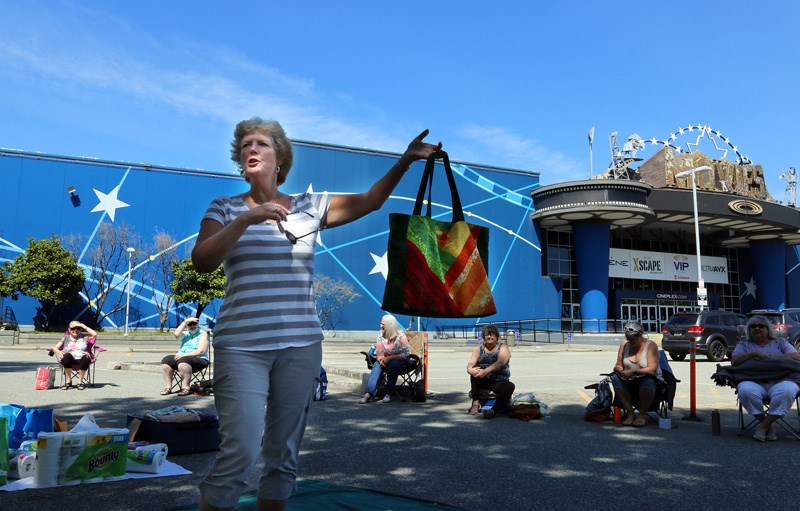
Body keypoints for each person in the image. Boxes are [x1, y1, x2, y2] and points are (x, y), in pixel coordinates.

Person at [192, 117, 441, 511]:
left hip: (301, 345)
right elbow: (202, 261)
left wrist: (405, 160)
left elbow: (372, 199)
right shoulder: (224, 208)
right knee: (238, 451)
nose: (251, 149)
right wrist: (245, 220)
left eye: (261, 144)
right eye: (245, 146)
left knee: (283, 456)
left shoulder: (310, 207)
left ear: (280, 158)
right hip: (241, 346)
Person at [731, 315, 800, 441]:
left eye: (761, 326)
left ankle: (763, 427)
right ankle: (768, 425)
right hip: (754, 381)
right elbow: (734, 361)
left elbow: (796, 357)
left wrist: (769, 357)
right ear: (749, 331)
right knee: (745, 390)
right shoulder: (744, 346)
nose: (757, 328)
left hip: (782, 380)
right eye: (753, 326)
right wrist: (755, 354)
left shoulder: (780, 343)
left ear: (768, 330)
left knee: (787, 390)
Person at [610, 320, 662, 427]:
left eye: (632, 339)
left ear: (640, 335)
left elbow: (652, 369)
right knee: (615, 378)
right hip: (629, 380)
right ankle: (630, 413)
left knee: (648, 382)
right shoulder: (625, 344)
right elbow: (618, 364)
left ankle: (642, 415)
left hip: (648, 378)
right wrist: (619, 369)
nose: (630, 342)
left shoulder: (651, 345)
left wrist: (633, 371)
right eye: (628, 339)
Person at [359, 314, 413, 404]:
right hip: (384, 359)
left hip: (400, 359)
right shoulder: (381, 335)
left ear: (390, 325)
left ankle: (389, 393)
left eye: (383, 324)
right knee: (376, 366)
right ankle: (368, 393)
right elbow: (379, 352)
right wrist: (380, 360)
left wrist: (389, 358)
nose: (380, 326)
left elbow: (406, 354)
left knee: (392, 365)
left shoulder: (401, 336)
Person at [466, 324, 515, 419]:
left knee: (510, 386)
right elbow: (470, 363)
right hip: (483, 380)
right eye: (486, 335)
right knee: (475, 371)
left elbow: (500, 363)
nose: (489, 337)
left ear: (497, 337)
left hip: (499, 381)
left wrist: (485, 371)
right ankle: (475, 403)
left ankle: (493, 411)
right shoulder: (478, 349)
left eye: (492, 334)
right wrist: (470, 370)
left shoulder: (503, 347)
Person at [160, 316, 209, 396]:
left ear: (197, 324)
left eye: (194, 323)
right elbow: (176, 334)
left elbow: (201, 351)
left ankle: (186, 388)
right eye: (190, 324)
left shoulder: (203, 334)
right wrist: (185, 321)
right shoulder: (186, 334)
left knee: (184, 362)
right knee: (166, 360)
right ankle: (168, 387)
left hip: (199, 359)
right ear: (187, 326)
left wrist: (183, 355)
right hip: (182, 357)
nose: (192, 326)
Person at [52, 321, 97, 390]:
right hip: (69, 359)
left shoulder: (84, 337)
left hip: (81, 359)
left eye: (78, 328)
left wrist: (82, 325)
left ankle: (80, 382)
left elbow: (94, 334)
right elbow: (55, 348)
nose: (75, 330)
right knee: (66, 356)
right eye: (73, 328)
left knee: (86, 357)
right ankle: (68, 381)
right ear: (69, 329)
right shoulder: (65, 338)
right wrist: (59, 352)